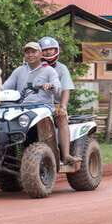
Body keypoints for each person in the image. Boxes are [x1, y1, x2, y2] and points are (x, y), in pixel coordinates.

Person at [38, 36, 77, 165]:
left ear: (57, 50)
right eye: (45, 50)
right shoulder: (32, 68)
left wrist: (63, 107)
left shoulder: (62, 68)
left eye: (51, 49)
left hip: (55, 105)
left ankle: (65, 155)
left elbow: (66, 89)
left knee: (61, 118)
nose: (48, 52)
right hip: (35, 105)